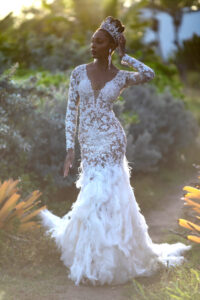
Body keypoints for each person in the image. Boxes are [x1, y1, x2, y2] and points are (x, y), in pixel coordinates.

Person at [39, 16, 191, 286]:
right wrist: (69, 148)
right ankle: (92, 259)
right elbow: (70, 112)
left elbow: (149, 74)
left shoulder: (121, 76)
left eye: (99, 41)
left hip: (111, 140)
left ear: (110, 45)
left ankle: (106, 260)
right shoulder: (78, 73)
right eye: (91, 41)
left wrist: (126, 56)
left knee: (107, 194)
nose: (92, 45)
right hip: (89, 142)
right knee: (93, 194)